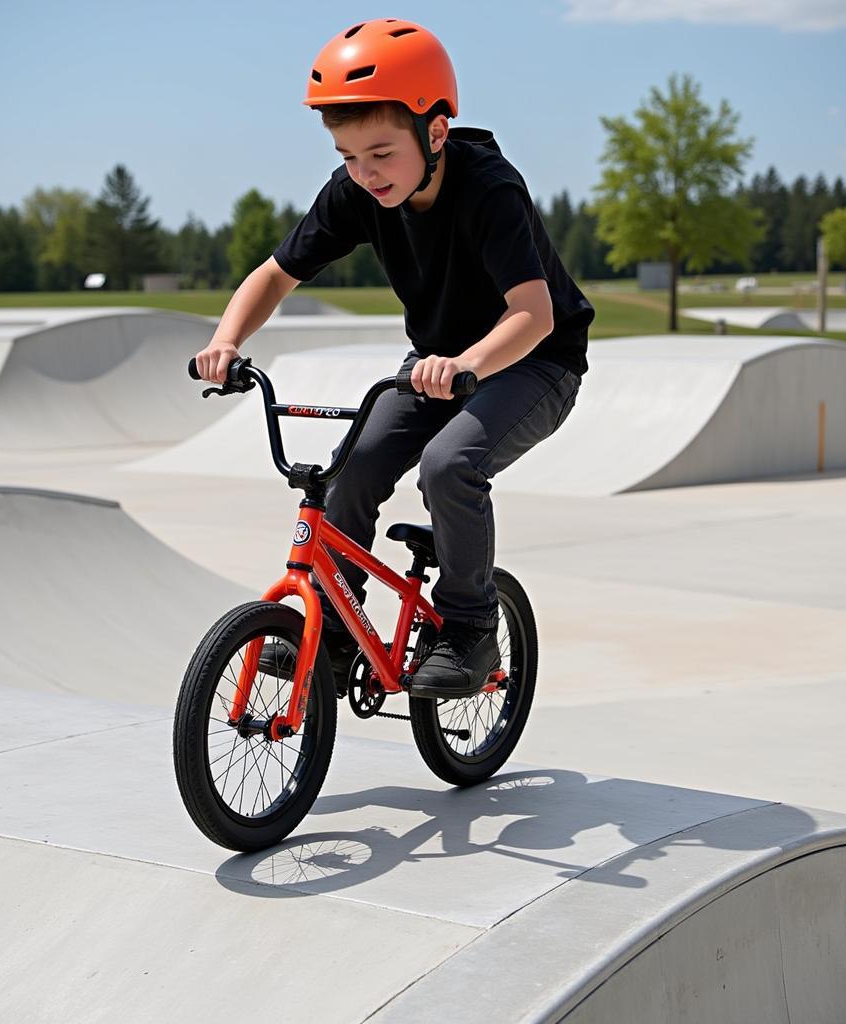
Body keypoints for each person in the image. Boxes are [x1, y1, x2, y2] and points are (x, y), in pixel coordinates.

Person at [194, 18, 594, 699]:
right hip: (436, 363)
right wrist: (226, 340)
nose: (365, 174)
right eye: (350, 157)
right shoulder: (355, 192)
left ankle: (469, 627)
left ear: (435, 133)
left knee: (449, 465)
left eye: (380, 153)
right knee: (348, 469)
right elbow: (274, 275)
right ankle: (338, 629)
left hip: (536, 361)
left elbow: (535, 314)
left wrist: (466, 362)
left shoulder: (489, 189)